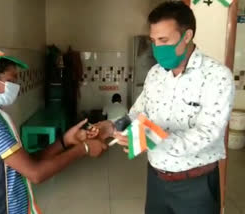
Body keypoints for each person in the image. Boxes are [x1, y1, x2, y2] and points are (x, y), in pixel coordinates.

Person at [95, 2, 235, 214]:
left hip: (196, 185)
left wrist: (150, 137)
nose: (158, 48)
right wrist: (112, 126)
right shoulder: (155, 74)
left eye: (164, 40)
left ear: (187, 36)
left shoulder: (217, 76)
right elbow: (137, 113)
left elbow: (209, 134)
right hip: (156, 180)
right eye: (153, 41)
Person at [0, 44, 107, 214]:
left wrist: (65, 140)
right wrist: (83, 149)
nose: (16, 85)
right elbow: (35, 173)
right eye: (11, 80)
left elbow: (27, 162)